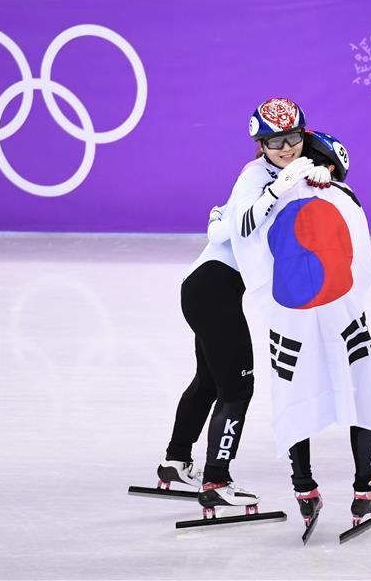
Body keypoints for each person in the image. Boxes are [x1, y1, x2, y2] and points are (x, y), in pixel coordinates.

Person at [228, 98, 371, 530]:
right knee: (295, 390)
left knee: (361, 386)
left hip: (337, 305)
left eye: (292, 139)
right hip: (293, 311)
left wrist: (331, 181)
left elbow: (352, 216)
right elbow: (240, 227)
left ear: (304, 134)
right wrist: (277, 189)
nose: (285, 149)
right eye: (273, 142)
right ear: (259, 144)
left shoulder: (316, 161)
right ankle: (304, 486)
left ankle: (366, 488)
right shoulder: (252, 177)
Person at [156, 184, 259, 513]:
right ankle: (217, 481)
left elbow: (217, 228)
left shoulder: (259, 179)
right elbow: (221, 233)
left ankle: (176, 460)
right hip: (215, 290)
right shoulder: (267, 183)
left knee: (210, 380)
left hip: (203, 286)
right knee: (238, 388)